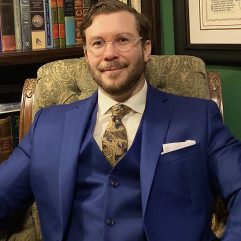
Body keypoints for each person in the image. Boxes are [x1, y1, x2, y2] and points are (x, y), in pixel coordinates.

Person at [0, 1, 241, 240]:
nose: (109, 53)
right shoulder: (47, 125)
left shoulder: (198, 117)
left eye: (123, 40)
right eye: (97, 43)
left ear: (146, 49)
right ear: (86, 55)